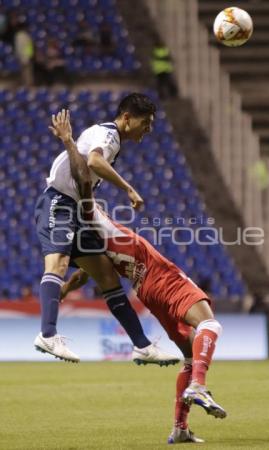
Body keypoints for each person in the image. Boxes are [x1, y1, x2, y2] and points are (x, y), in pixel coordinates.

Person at [52, 109, 227, 444]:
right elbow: (89, 171)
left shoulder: (94, 238)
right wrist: (69, 142)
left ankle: (180, 427)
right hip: (161, 275)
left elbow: (89, 275)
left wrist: (64, 290)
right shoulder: (87, 209)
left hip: (146, 289)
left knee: (190, 353)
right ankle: (200, 387)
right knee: (210, 324)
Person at [34, 95, 178, 367]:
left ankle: (142, 346)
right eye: (145, 123)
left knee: (106, 274)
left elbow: (88, 171)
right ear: (126, 118)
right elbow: (94, 162)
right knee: (58, 262)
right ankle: (48, 334)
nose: (148, 129)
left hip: (76, 208)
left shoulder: (108, 137)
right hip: (58, 201)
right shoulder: (108, 135)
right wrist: (128, 188)